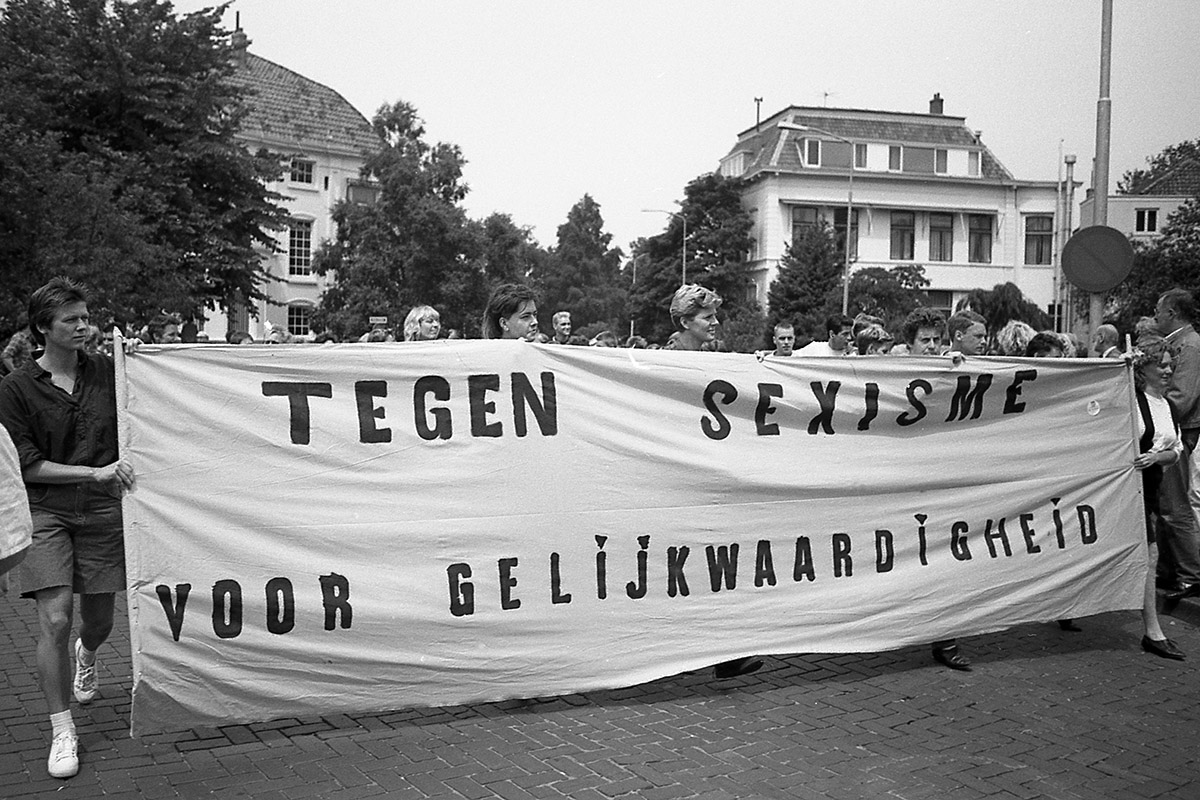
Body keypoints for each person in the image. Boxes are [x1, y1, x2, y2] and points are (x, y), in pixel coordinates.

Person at [0, 277, 136, 779]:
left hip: (102, 512)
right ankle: (62, 729)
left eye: (85, 317)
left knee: (96, 623)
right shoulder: (15, 389)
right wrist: (93, 473)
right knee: (54, 619)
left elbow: (157, 393)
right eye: (70, 320)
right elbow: (27, 466)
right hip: (47, 512)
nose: (84, 326)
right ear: (42, 330)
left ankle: (89, 652)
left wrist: (148, 357)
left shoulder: (111, 371)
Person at [1131, 335, 1186, 659]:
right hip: (1124, 488)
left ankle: (1153, 632)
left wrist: (1157, 458)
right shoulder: (1130, 399)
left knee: (1149, 556)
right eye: (1160, 364)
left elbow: (1175, 451)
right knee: (1146, 556)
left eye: (1170, 364)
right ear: (1144, 368)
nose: (1167, 370)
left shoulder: (1170, 407)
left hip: (1150, 488)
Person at [1153, 288, 1200, 599]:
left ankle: (1191, 574)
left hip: (1177, 431)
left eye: (1159, 310)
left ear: (1172, 313)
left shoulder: (1191, 346)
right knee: (1164, 504)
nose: (1156, 316)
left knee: (1173, 504)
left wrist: (1153, 414)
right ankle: (1170, 572)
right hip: (1173, 429)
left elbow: (1182, 396)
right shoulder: (1183, 343)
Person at [663, 285, 722, 352]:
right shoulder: (665, 358)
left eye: (714, 316)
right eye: (708, 317)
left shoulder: (706, 356)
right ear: (684, 323)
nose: (716, 322)